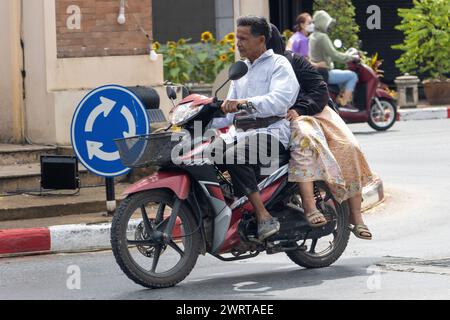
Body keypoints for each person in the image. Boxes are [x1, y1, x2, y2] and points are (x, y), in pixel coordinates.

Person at [268, 24, 373, 239]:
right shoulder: (249, 68)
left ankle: (356, 216)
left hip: (312, 111)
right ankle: (309, 205)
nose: (241, 44)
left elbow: (319, 90)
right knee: (304, 141)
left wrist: (299, 108)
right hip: (282, 120)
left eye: (245, 39)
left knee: (349, 146)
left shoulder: (293, 61)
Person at [211, 16, 300, 241]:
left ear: (261, 40)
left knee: (232, 156)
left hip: (270, 133)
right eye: (237, 38)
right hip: (240, 134)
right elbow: (227, 114)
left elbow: (279, 101)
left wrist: (245, 103)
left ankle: (263, 215)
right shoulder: (240, 70)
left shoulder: (279, 65)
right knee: (204, 155)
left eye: (243, 38)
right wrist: (195, 119)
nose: (238, 43)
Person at [309, 10, 360, 107]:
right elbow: (334, 55)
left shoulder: (312, 36)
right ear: (322, 23)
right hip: (326, 72)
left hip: (318, 72)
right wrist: (351, 57)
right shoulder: (322, 37)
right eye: (326, 23)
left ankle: (338, 101)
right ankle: (346, 104)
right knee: (353, 76)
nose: (328, 26)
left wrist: (346, 55)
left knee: (343, 77)